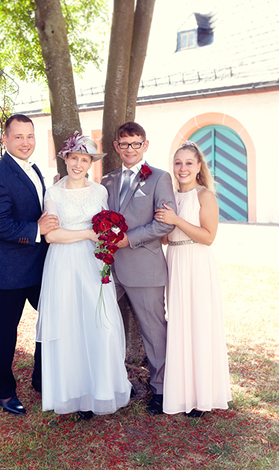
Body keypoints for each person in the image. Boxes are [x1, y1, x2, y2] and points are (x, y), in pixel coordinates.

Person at [35, 132, 131, 419]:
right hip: (63, 264)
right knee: (69, 323)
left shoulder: (100, 191)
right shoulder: (52, 193)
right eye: (73, 158)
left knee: (98, 322)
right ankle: (70, 393)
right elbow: (52, 235)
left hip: (92, 263)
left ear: (91, 163)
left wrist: (107, 235)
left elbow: (108, 228)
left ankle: (98, 391)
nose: (78, 164)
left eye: (84, 159)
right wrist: (88, 233)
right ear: (65, 159)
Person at [0, 114, 59, 415]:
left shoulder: (33, 168)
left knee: (51, 319)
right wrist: (35, 229)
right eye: (18, 137)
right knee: (4, 331)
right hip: (9, 269)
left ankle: (41, 377)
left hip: (39, 266)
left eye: (30, 136)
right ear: (5, 139)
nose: (25, 142)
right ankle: (4, 391)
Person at [101, 122, 176, 415]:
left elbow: (165, 222)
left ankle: (160, 389)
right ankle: (105, 383)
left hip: (145, 267)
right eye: (124, 144)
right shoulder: (107, 180)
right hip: (108, 268)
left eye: (136, 144)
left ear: (145, 145)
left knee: (154, 332)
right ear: (116, 147)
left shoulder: (159, 178)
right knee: (99, 324)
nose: (130, 149)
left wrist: (129, 238)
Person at [155, 140, 232, 417]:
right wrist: (163, 223)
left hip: (197, 263)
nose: (183, 168)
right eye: (178, 163)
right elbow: (165, 238)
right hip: (175, 262)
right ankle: (182, 392)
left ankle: (202, 396)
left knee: (199, 324)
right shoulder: (170, 196)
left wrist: (176, 220)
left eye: (189, 163)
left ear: (199, 166)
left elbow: (208, 237)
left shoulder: (204, 196)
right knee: (180, 325)